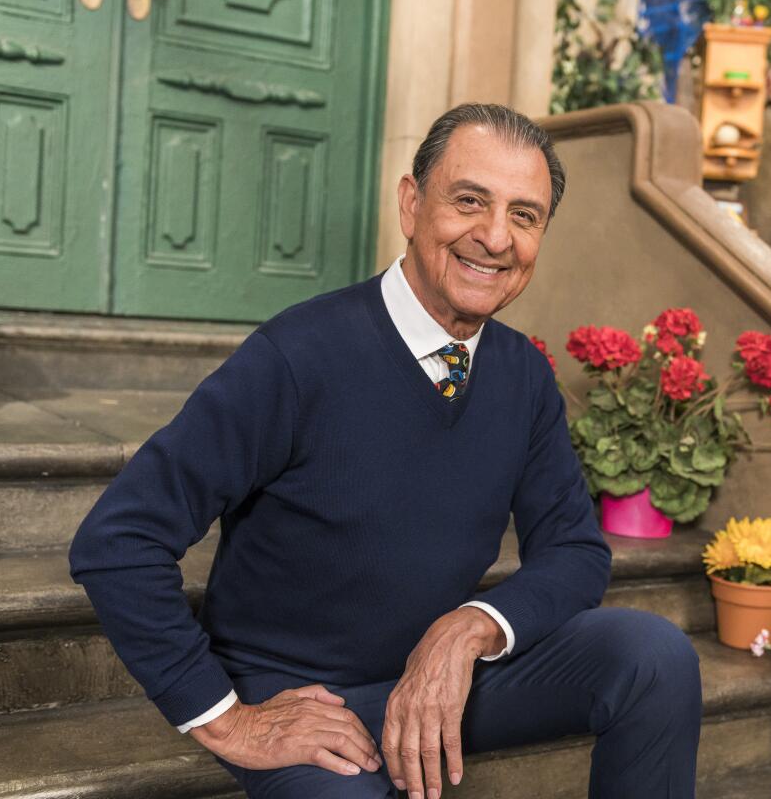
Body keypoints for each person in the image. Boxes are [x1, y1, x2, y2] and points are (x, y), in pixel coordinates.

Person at [69, 103, 702, 799]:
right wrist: (229, 721)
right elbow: (118, 541)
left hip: (444, 680)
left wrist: (470, 629)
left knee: (654, 657)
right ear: (410, 203)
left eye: (525, 216)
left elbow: (576, 552)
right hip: (306, 703)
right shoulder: (297, 356)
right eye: (470, 201)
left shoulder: (522, 375)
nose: (496, 237)